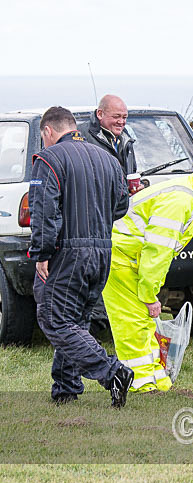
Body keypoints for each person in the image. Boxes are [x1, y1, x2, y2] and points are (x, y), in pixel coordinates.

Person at [102, 146, 193, 393]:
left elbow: (156, 253)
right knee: (132, 324)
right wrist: (149, 296)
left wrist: (149, 293)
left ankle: (156, 380)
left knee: (144, 323)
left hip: (128, 258)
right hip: (120, 258)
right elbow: (157, 253)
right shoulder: (182, 200)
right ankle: (140, 383)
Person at [28, 106, 133, 408]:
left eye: (43, 136)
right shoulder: (109, 160)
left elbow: (44, 210)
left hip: (67, 252)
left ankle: (112, 372)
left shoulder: (49, 159)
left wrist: (42, 253)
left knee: (55, 319)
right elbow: (121, 207)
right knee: (76, 320)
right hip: (102, 251)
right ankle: (66, 387)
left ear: (48, 131)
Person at [78, 94, 137, 176]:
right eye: (116, 117)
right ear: (100, 114)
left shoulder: (126, 139)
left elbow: (130, 173)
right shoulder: (81, 136)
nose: (121, 122)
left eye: (124, 117)